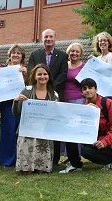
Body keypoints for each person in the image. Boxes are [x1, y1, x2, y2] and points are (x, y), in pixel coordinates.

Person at [59, 78, 112, 173]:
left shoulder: (108, 103)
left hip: (109, 141)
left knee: (86, 152)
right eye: (84, 88)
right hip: (94, 138)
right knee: (70, 134)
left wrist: (104, 142)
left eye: (90, 87)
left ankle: (109, 160)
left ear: (96, 89)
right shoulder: (85, 105)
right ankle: (75, 165)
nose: (87, 90)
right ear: (82, 92)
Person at [27, 29, 68, 166]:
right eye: (46, 37)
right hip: (38, 96)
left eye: (51, 36)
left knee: (54, 127)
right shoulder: (35, 54)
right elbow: (31, 74)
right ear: (42, 38)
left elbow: (63, 74)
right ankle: (37, 155)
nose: (48, 39)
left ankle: (54, 159)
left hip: (55, 95)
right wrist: (41, 88)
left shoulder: (62, 55)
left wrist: (50, 88)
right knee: (39, 126)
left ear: (55, 38)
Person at [12, 64, 58, 174]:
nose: (42, 76)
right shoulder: (26, 90)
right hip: (27, 130)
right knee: (25, 171)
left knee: (41, 171)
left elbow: (55, 117)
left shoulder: (54, 94)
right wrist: (16, 101)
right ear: (34, 76)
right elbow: (16, 113)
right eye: (39, 74)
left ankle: (41, 166)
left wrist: (56, 108)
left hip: (44, 131)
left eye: (45, 74)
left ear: (49, 76)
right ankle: (25, 166)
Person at [0, 44, 27, 167]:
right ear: (9, 55)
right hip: (7, 104)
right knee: (8, 132)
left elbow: (30, 87)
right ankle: (5, 161)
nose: (15, 55)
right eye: (13, 53)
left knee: (20, 132)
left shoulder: (26, 69)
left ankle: (18, 159)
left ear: (22, 56)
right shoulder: (2, 70)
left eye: (18, 53)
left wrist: (26, 74)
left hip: (22, 104)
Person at [61, 43, 86, 167]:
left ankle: (76, 157)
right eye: (72, 51)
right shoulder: (64, 66)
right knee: (66, 129)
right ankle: (68, 156)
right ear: (68, 53)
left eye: (77, 51)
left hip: (78, 100)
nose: (74, 53)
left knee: (75, 129)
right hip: (65, 100)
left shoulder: (84, 66)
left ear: (80, 54)